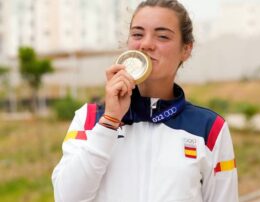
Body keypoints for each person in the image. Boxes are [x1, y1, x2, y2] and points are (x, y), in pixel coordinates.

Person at [52, 0, 239, 201]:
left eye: (162, 36)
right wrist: (109, 122)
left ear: (186, 49)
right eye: (137, 34)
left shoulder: (210, 128)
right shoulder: (89, 119)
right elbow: (66, 198)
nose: (146, 44)